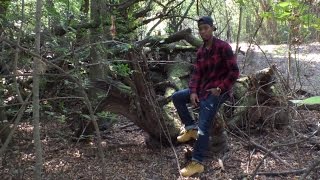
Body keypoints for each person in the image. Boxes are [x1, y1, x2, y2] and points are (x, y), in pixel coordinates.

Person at [172, 16, 240, 177]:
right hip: (203, 89)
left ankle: (197, 162)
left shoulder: (223, 47)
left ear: (212, 28)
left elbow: (234, 72)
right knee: (177, 97)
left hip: (219, 92)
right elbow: (196, 74)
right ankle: (190, 128)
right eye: (201, 29)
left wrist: (220, 88)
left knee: (204, 122)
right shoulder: (201, 51)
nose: (203, 32)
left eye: (206, 28)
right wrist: (193, 91)